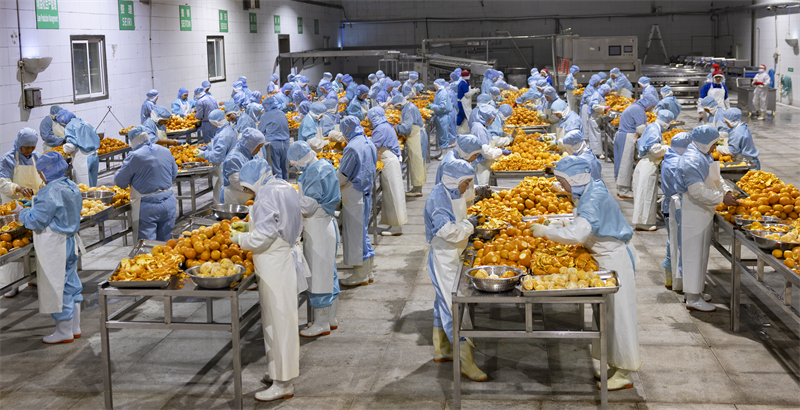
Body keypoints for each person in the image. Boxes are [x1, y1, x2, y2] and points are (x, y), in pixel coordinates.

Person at [531, 155, 641, 391]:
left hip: (614, 258)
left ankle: (625, 372)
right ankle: (613, 362)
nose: (562, 186)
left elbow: (579, 234)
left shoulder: (593, 198)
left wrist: (545, 231)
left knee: (621, 317)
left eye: (564, 181)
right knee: (607, 316)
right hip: (603, 257)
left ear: (576, 178)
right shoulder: (591, 188)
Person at [231, 158, 302, 402]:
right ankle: (278, 372)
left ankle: (283, 383)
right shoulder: (282, 186)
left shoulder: (265, 196)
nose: (247, 191)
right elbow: (275, 223)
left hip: (273, 264)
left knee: (279, 322)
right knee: (278, 321)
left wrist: (239, 239)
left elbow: (262, 237)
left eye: (247, 186)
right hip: (282, 260)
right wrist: (247, 226)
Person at [424, 158, 487, 382]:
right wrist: (470, 225)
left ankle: (442, 349)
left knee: (442, 301)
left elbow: (462, 205)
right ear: (454, 180)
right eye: (466, 183)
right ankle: (465, 362)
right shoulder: (438, 198)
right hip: (444, 257)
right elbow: (446, 231)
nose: (467, 188)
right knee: (454, 307)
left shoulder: (452, 191)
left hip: (456, 253)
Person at [15, 151, 82, 344]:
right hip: (69, 242)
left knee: (57, 286)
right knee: (71, 284)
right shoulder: (71, 186)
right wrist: (34, 204)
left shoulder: (49, 192)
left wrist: (22, 212)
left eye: (40, 172)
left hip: (54, 245)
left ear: (46, 172)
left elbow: (37, 221)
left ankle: (63, 331)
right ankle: (75, 327)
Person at [675, 126, 739, 311]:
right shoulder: (691, 160)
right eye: (713, 144)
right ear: (705, 143)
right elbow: (696, 192)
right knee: (693, 254)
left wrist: (726, 190)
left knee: (701, 254)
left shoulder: (703, 154)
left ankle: (697, 290)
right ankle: (692, 298)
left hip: (703, 211)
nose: (715, 147)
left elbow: (715, 179)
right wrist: (721, 199)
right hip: (692, 210)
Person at [287, 141, 341, 337]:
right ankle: (331, 318)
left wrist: (288, 204)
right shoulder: (323, 165)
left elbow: (307, 206)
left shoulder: (313, 173)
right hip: (327, 225)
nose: (295, 166)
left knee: (318, 276)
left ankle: (321, 323)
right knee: (329, 273)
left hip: (317, 227)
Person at [0, 128, 44, 298]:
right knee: (13, 244)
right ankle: (12, 283)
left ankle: (32, 275)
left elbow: (41, 177)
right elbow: (2, 181)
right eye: (26, 147)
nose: (28, 151)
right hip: (14, 208)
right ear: (19, 143)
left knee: (32, 241)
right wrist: (17, 188)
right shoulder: (8, 159)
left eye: (32, 147)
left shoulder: (36, 157)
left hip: (33, 206)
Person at [115, 126, 178, 242]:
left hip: (147, 206)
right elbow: (174, 174)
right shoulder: (166, 151)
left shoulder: (135, 156)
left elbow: (120, 181)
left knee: (147, 246)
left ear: (133, 141)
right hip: (169, 202)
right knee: (166, 243)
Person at [337, 116, 378, 286]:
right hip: (366, 191)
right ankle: (367, 271)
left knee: (355, 235)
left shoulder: (352, 148)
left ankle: (359, 274)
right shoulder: (368, 142)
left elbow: (343, 176)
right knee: (362, 233)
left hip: (354, 193)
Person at [368, 107, 408, 236]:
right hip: (390, 160)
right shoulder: (385, 125)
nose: (368, 122)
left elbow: (373, 147)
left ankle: (396, 227)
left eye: (369, 119)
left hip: (389, 161)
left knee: (392, 194)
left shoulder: (380, 129)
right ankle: (394, 224)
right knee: (392, 193)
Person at [632, 110, 674, 231]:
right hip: (648, 165)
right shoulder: (654, 130)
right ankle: (645, 223)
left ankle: (642, 221)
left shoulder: (652, 127)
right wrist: (667, 148)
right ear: (666, 122)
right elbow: (655, 150)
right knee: (647, 193)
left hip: (645, 164)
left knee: (642, 193)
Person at [661, 131, 692, 290]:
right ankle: (675, 277)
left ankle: (670, 276)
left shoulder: (670, 156)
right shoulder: (676, 163)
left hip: (670, 205)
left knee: (672, 240)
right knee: (675, 242)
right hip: (675, 206)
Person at [614, 93, 657, 198]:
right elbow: (640, 128)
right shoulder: (639, 110)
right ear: (648, 104)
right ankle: (623, 190)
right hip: (627, 137)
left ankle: (621, 188)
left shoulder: (635, 106)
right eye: (652, 106)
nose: (652, 109)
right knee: (625, 163)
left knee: (621, 162)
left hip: (622, 135)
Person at [196, 108, 238, 202]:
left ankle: (222, 210)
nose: (212, 126)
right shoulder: (227, 128)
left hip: (223, 166)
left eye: (213, 123)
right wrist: (208, 147)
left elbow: (218, 155)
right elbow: (218, 143)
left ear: (216, 122)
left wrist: (204, 154)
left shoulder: (224, 134)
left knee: (221, 191)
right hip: (228, 162)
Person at [392, 94, 428, 197]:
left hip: (415, 136)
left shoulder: (408, 109)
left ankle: (417, 189)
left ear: (399, 104)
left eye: (396, 107)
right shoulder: (409, 106)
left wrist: (397, 127)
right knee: (418, 161)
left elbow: (407, 128)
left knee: (416, 161)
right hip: (416, 135)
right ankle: (417, 187)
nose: (397, 109)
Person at [222, 128, 266, 205]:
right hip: (234, 198)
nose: (259, 150)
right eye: (258, 147)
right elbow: (236, 181)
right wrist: (255, 188)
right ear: (250, 145)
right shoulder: (234, 158)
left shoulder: (251, 155)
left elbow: (262, 167)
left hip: (247, 199)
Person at [63, 111, 100, 187]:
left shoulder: (70, 126)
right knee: (93, 184)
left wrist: (65, 148)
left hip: (83, 159)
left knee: (84, 186)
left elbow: (71, 146)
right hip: (94, 156)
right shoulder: (85, 123)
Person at [258, 97, 291, 180]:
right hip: (286, 143)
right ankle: (287, 187)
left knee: (276, 169)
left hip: (274, 144)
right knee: (284, 168)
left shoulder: (265, 116)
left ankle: (279, 189)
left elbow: (260, 132)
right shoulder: (282, 113)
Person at [471, 105, 505, 185]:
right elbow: (485, 152)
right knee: (482, 186)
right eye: (492, 119)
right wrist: (500, 152)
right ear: (486, 117)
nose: (493, 121)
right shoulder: (480, 130)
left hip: (484, 161)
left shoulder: (480, 125)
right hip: (482, 164)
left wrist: (497, 149)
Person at [585, 84, 611, 157]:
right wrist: (604, 108)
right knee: (595, 135)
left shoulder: (600, 95)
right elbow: (594, 106)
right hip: (594, 117)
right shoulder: (597, 95)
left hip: (597, 117)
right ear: (604, 91)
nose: (607, 94)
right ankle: (597, 153)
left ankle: (596, 151)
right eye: (607, 92)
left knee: (596, 134)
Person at [430, 79, 454, 153]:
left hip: (443, 116)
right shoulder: (440, 92)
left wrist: (432, 106)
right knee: (441, 135)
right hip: (440, 116)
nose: (434, 88)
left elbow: (442, 106)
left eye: (435, 86)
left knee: (443, 136)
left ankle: (444, 153)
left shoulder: (442, 93)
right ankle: (443, 152)